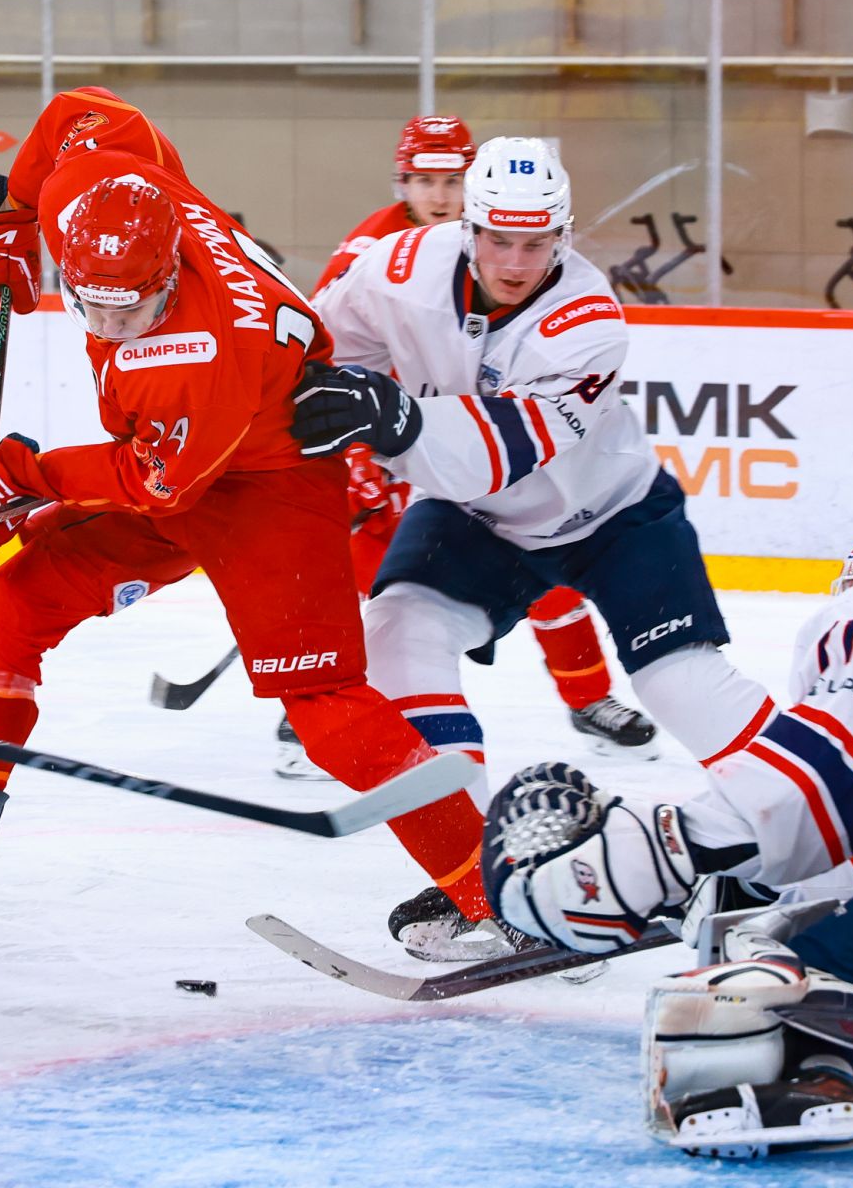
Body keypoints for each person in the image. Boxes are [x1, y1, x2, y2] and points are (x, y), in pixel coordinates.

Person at [0, 86, 491, 962]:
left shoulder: (198, 355)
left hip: (272, 485)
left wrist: (23, 477)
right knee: (5, 609)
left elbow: (155, 483)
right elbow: (82, 112)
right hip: (180, 461)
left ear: (170, 274)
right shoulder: (93, 192)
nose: (108, 326)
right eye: (89, 305)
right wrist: (9, 220)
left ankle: (499, 894)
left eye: (130, 312)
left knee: (324, 705)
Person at [291, 136, 777, 960]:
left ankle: (824, 823)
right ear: (469, 227)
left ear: (564, 235)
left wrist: (388, 420)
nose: (515, 262)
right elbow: (316, 352)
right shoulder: (395, 268)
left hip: (612, 513)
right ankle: (488, 883)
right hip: (475, 520)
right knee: (399, 639)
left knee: (681, 684)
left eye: (537, 242)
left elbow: (498, 455)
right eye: (498, 240)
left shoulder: (587, 321)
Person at [483, 510, 853, 1159]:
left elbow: (833, 772)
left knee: (785, 991)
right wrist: (746, 884)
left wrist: (657, 852)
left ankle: (818, 1073)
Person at [278, 115, 654, 782]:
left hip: (480, 433)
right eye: (424, 181)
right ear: (402, 183)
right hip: (388, 437)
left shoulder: (506, 246)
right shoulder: (376, 247)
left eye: (452, 181)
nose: (439, 196)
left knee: (539, 554)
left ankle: (589, 697)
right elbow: (324, 352)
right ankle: (332, 706)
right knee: (375, 588)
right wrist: (357, 458)